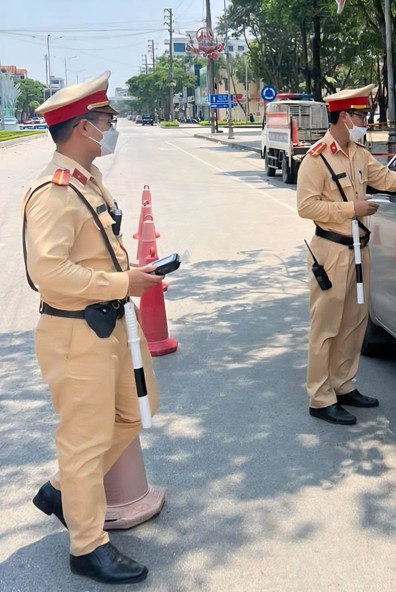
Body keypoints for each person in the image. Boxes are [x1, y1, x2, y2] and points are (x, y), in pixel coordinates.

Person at [21, 71, 165, 585]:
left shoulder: (86, 181)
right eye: (107, 120)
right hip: (74, 334)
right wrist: (122, 282)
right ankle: (86, 546)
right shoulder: (54, 193)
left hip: (105, 327)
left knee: (129, 416)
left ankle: (62, 490)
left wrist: (125, 283)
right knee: (84, 442)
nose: (111, 127)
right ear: (85, 128)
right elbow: (49, 272)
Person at [297, 84, 396, 425]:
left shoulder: (359, 153)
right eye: (361, 116)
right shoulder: (317, 158)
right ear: (344, 117)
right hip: (331, 251)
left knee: (354, 323)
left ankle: (343, 385)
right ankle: (320, 397)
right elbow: (306, 206)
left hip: (360, 251)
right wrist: (353, 208)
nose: (365, 121)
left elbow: (387, 178)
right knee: (326, 327)